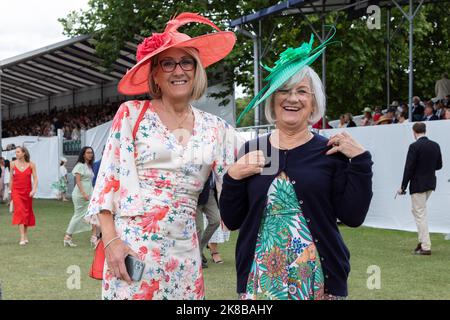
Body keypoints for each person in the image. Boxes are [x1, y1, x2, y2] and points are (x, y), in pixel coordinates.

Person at [84, 13, 240, 300]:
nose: (177, 70)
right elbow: (107, 184)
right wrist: (112, 242)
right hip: (131, 249)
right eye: (167, 62)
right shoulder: (132, 114)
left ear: (197, 70)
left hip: (185, 256)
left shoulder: (217, 129)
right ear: (155, 72)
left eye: (186, 62)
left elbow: (236, 184)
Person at [221, 33, 373, 300]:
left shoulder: (330, 152)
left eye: (302, 91)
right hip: (262, 282)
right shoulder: (252, 150)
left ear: (313, 103)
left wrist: (361, 162)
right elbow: (232, 221)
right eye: (284, 90)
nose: (292, 98)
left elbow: (353, 217)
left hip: (318, 283)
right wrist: (232, 177)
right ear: (272, 100)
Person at [397, 122, 442, 255]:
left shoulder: (414, 146)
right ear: (425, 130)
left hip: (418, 184)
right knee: (417, 211)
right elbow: (439, 165)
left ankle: (426, 246)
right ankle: (422, 241)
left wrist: (403, 186)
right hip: (430, 183)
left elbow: (408, 168)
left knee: (420, 213)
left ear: (414, 131)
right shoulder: (435, 145)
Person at [64, 147, 96, 247]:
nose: (90, 154)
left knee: (94, 214)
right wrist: (84, 194)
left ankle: (94, 237)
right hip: (80, 195)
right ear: (83, 154)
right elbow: (78, 181)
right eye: (88, 153)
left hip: (90, 193)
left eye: (91, 153)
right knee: (78, 215)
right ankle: (67, 237)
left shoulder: (89, 166)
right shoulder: (80, 166)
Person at [11, 147, 38, 245]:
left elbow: (35, 179)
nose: (16, 154)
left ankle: (25, 235)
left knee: (27, 213)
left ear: (24, 153)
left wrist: (34, 190)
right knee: (20, 212)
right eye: (16, 152)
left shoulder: (31, 164)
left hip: (28, 192)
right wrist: (11, 193)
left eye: (18, 152)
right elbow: (11, 179)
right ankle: (22, 237)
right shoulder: (12, 164)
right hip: (16, 192)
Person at [196, 173, 220, 268]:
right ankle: (197, 257)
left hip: (210, 192)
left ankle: (199, 249)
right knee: (198, 228)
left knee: (216, 220)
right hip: (196, 193)